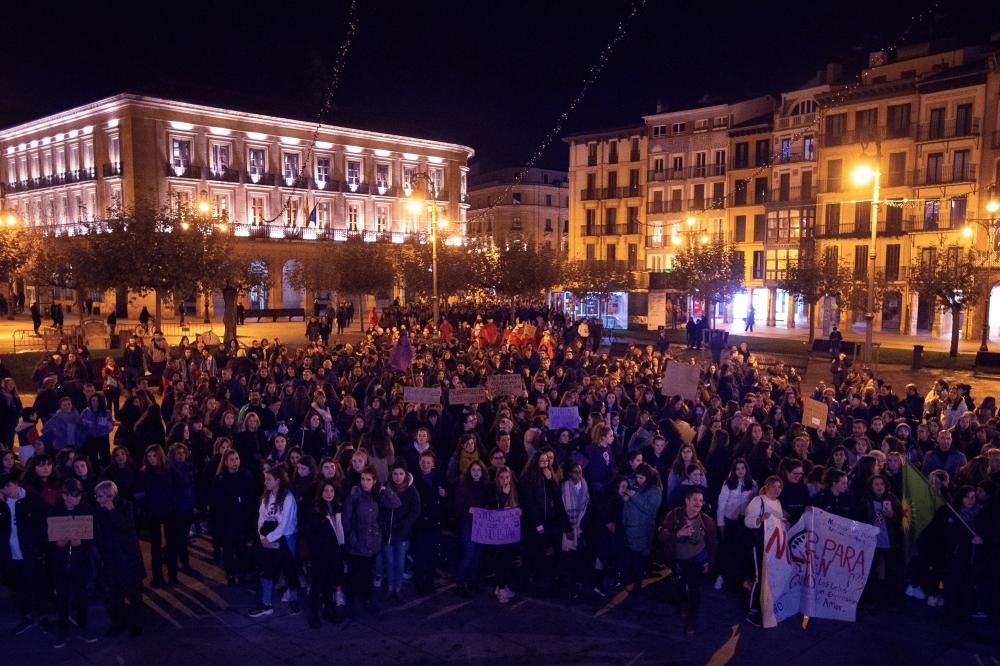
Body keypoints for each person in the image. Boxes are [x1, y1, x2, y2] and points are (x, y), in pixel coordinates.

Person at [659, 486, 718, 634]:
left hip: (696, 559)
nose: (698, 504)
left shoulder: (707, 521)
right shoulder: (674, 515)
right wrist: (678, 533)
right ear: (687, 501)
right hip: (678, 559)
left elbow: (713, 544)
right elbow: (662, 534)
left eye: (701, 501)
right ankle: (683, 604)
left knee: (694, 589)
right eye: (695, 500)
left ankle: (692, 620)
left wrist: (709, 562)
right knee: (679, 584)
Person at [342, 466, 400, 613]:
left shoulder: (377, 496)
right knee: (354, 572)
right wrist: (351, 537)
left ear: (374, 481)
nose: (365, 482)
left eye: (368, 480)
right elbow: (346, 519)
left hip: (371, 540)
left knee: (368, 572)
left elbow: (396, 503)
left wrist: (385, 489)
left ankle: (366, 598)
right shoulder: (354, 496)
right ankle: (350, 600)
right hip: (357, 540)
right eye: (363, 479)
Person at [49, 478, 98, 648]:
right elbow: (47, 538)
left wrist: (82, 545)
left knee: (81, 595)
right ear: (64, 495)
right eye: (74, 495)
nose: (77, 498)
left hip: (80, 562)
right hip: (61, 563)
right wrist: (57, 545)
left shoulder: (86, 510)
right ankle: (63, 627)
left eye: (79, 495)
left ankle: (83, 624)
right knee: (62, 597)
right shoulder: (54, 511)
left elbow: (92, 539)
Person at [0, 471, 50, 635]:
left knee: (39, 585)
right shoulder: (3, 504)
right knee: (20, 588)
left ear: (16, 484)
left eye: (9, 486)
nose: (7, 491)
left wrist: (41, 549)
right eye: (3, 488)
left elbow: (42, 526)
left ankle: (43, 616)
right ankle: (27, 616)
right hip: (12, 553)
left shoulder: (32, 500)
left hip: (31, 551)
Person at [93, 480, 145, 638]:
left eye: (101, 496)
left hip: (127, 557)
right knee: (115, 594)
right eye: (97, 496)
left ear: (111, 496)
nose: (98, 499)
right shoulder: (98, 511)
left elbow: (127, 527)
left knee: (133, 593)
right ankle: (118, 623)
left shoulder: (125, 506)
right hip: (109, 559)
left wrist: (113, 511)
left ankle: (136, 624)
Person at [249, 466, 301, 618]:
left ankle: (294, 600)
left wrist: (269, 539)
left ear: (278, 480)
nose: (265, 482)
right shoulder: (266, 496)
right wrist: (262, 538)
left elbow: (284, 524)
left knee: (289, 569)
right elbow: (261, 518)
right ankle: (266, 603)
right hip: (268, 538)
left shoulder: (288, 498)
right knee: (268, 569)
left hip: (286, 538)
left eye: (268, 479)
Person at [210, 449, 257, 585]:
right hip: (226, 520)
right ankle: (230, 573)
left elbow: (251, 498)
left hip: (242, 519)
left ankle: (242, 572)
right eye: (232, 460)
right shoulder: (220, 479)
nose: (235, 462)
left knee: (241, 548)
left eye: (237, 459)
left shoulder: (247, 476)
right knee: (229, 549)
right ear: (225, 462)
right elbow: (215, 502)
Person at [744, 475, 784, 626]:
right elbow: (748, 521)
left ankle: (764, 604)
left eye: (779, 487)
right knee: (758, 576)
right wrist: (760, 519)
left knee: (769, 575)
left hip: (772, 546)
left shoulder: (778, 503)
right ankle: (752, 610)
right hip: (759, 543)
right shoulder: (758, 501)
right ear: (766, 487)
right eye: (773, 486)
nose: (777, 490)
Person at [380, 459, 421, 602]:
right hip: (388, 533)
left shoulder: (411, 490)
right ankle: (390, 587)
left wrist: (406, 523)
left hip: (402, 533)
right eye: (395, 474)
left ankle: (398, 589)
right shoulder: (386, 487)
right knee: (390, 562)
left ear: (405, 474)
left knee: (400, 561)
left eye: (401, 474)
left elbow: (416, 510)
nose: (398, 477)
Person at [306, 479, 344, 627]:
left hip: (333, 552)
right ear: (321, 492)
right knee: (316, 584)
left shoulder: (336, 506)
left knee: (330, 583)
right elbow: (310, 533)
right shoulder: (315, 509)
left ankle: (329, 610)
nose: (329, 494)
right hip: (320, 553)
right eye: (326, 491)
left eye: (332, 491)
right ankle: (313, 614)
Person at [620, 463, 662, 595]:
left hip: (641, 529)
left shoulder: (654, 492)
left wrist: (634, 496)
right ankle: (627, 579)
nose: (638, 480)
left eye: (641, 478)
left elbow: (650, 510)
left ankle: (637, 583)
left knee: (637, 558)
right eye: (637, 477)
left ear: (648, 478)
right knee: (630, 556)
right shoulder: (637, 485)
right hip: (630, 527)